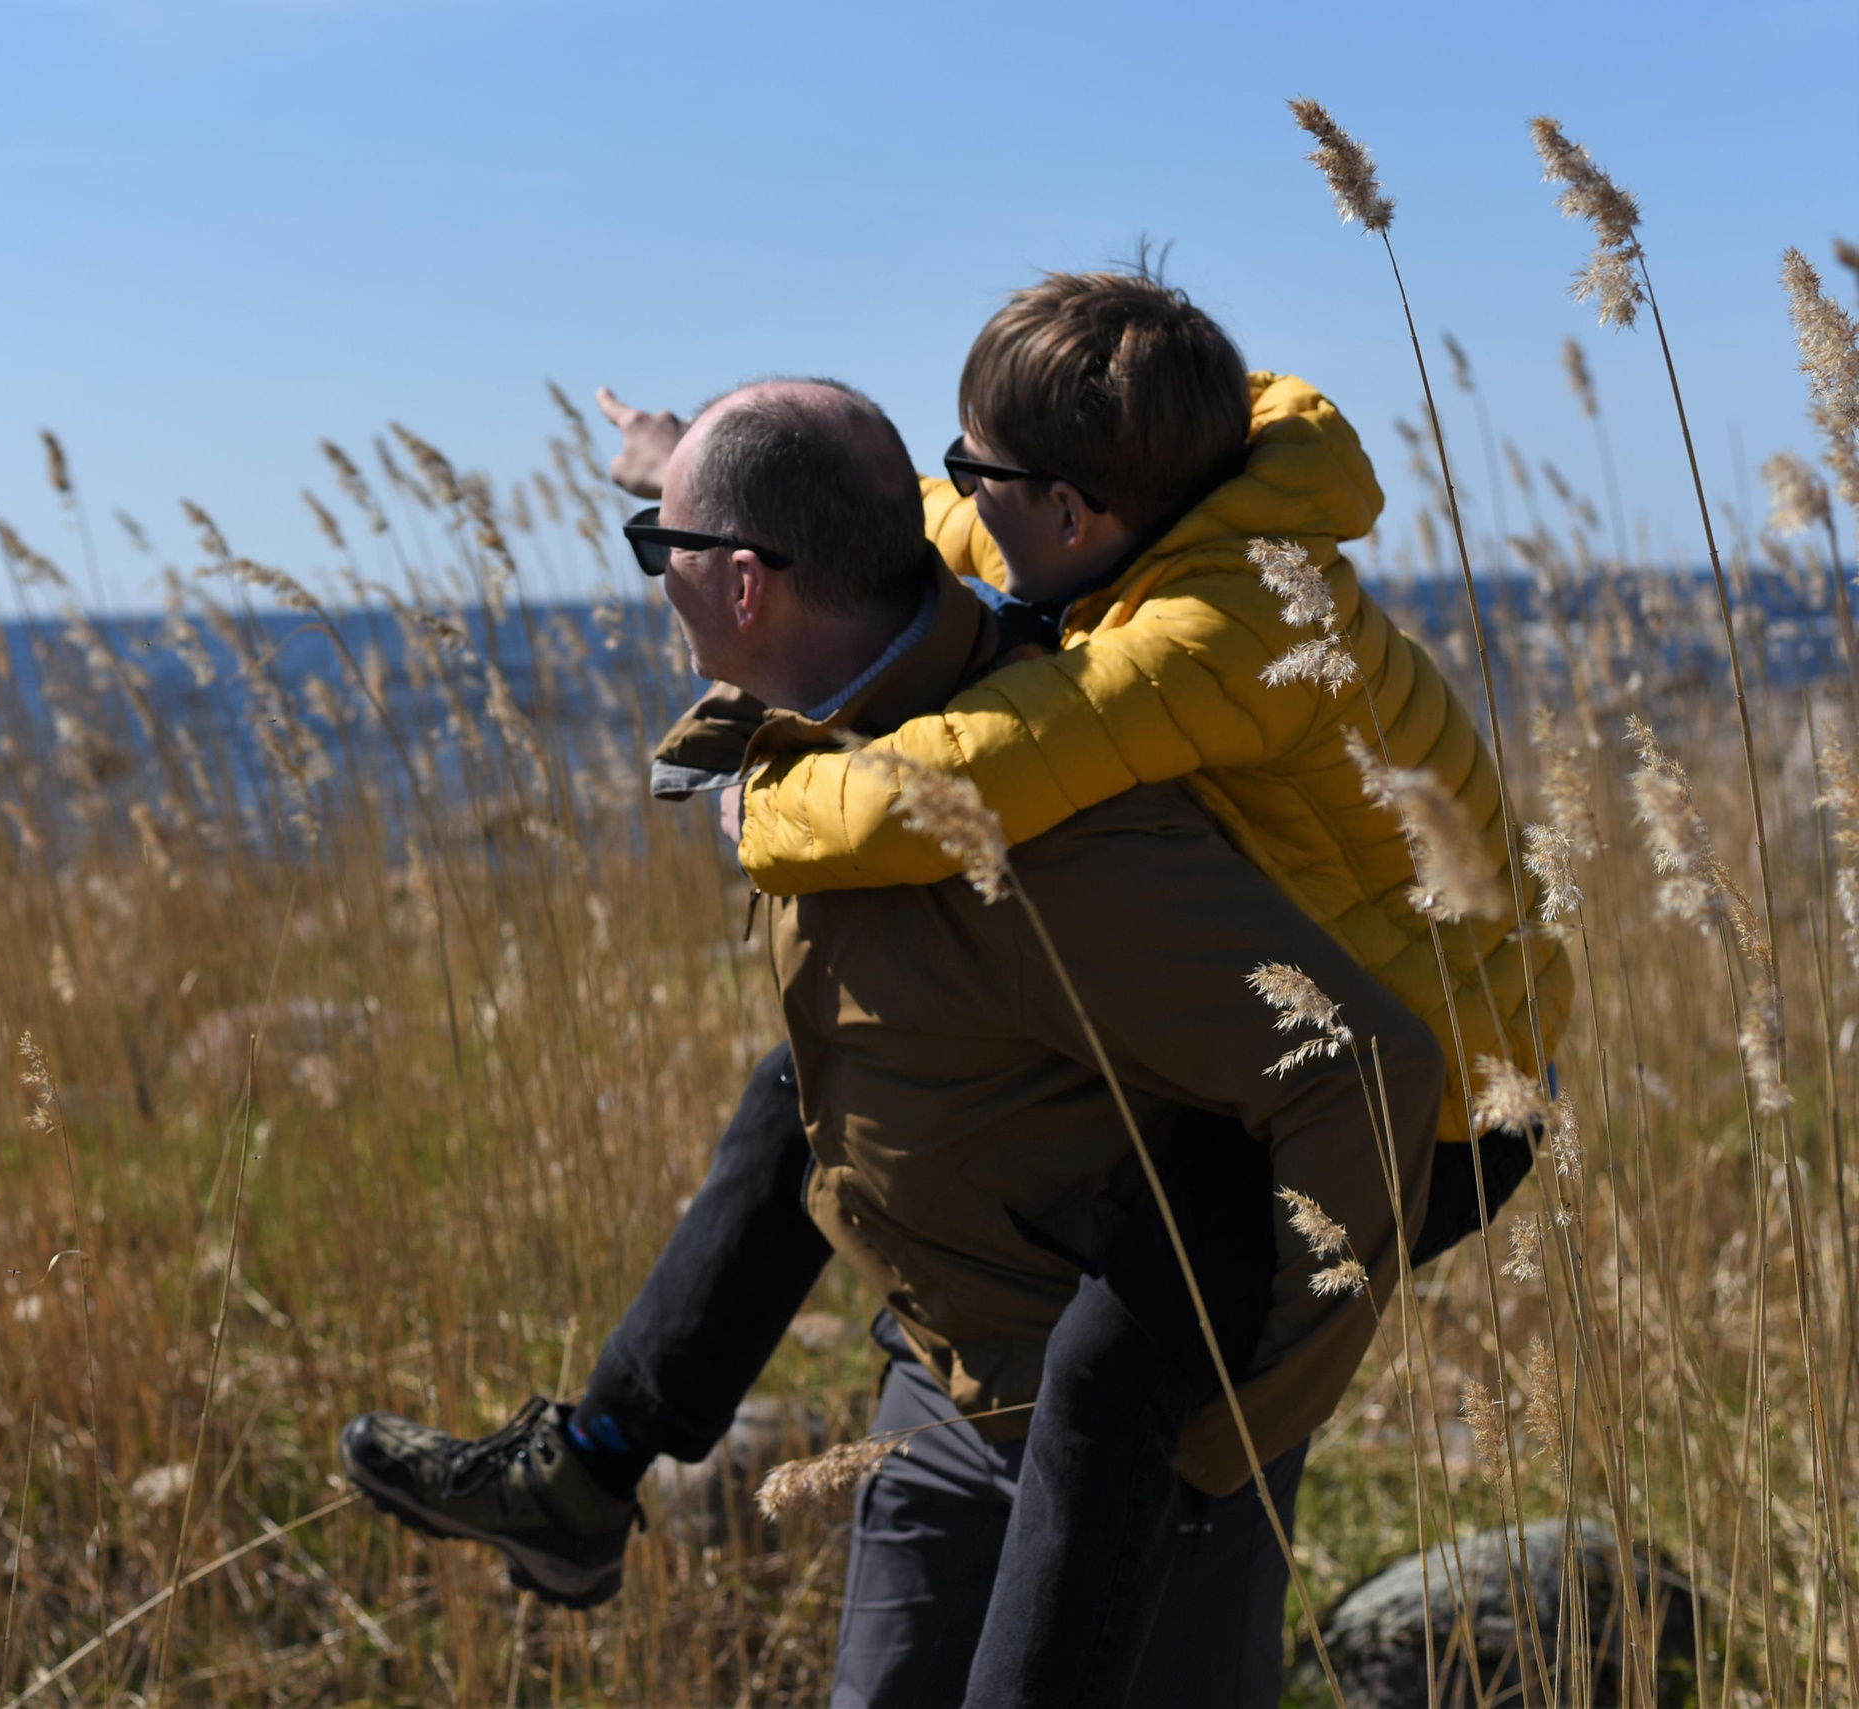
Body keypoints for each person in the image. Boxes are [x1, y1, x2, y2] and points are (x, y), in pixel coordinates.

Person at [340, 272, 1569, 1693]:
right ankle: (593, 1464)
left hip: (1450, 1092)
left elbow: (951, 784)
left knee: (1119, 1375)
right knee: (822, 1075)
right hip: (1316, 1007)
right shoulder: (1164, 496)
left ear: (1071, 512)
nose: (955, 494)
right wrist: (699, 470)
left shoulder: (1203, 640)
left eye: (978, 472)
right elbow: (896, 520)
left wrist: (762, 812)